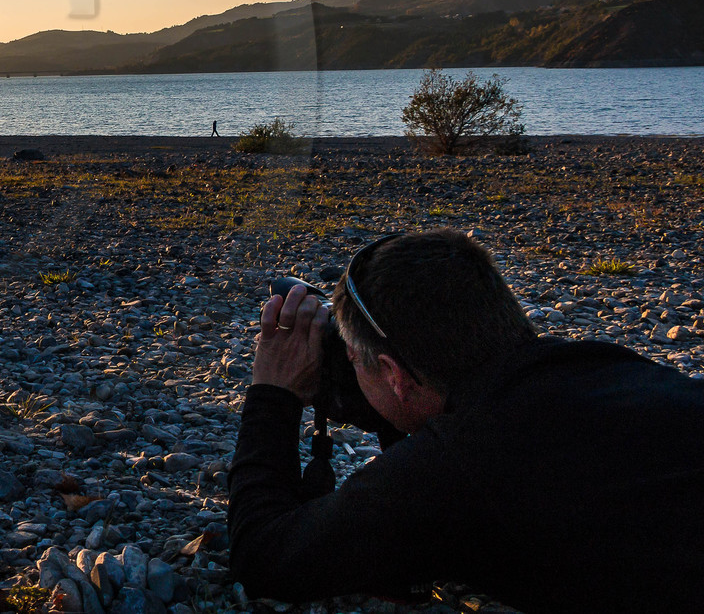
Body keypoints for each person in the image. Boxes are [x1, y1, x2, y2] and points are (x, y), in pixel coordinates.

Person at [229, 229, 704, 613]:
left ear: (393, 375)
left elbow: (265, 556)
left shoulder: (462, 464)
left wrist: (274, 394)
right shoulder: (610, 365)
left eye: (353, 359)